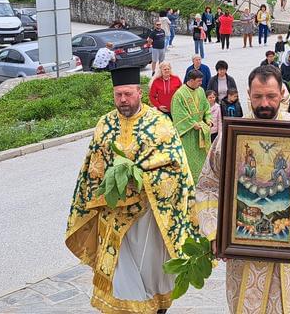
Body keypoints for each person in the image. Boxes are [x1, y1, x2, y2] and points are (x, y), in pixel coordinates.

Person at [194, 66, 290, 314]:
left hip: (289, 250)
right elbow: (208, 185)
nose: (264, 103)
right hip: (244, 251)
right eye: (258, 96)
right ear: (248, 93)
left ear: (282, 93)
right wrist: (215, 232)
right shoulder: (231, 136)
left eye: (271, 96)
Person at [64, 66, 197, 314]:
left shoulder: (160, 124)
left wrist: (142, 178)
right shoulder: (104, 124)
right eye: (118, 95)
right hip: (113, 217)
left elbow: (176, 168)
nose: (123, 100)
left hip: (148, 217)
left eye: (127, 94)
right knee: (121, 278)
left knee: (150, 273)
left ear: (139, 92)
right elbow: (91, 168)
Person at [170, 69, 212, 180]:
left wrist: (208, 119)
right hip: (188, 133)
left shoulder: (201, 91)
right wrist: (192, 124)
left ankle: (202, 179)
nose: (201, 83)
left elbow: (206, 107)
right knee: (190, 159)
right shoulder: (179, 94)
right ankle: (189, 181)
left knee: (202, 158)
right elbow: (178, 113)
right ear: (191, 80)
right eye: (198, 81)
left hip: (201, 132)